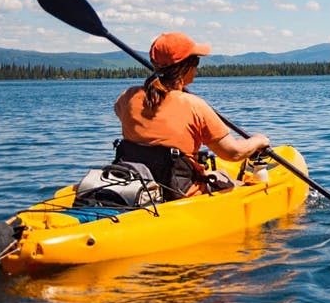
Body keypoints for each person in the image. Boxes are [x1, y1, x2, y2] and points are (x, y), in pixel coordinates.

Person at [113, 32, 269, 197]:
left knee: (212, 174)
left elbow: (119, 111)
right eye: (196, 61)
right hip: (180, 192)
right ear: (185, 66)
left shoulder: (128, 96)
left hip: (137, 185)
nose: (196, 67)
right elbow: (233, 153)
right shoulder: (194, 105)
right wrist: (258, 140)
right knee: (231, 182)